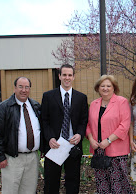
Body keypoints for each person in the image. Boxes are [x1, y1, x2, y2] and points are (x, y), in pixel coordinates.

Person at [41, 64, 88, 194]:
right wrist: (50, 138)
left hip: (73, 146)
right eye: (64, 75)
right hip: (54, 146)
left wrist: (79, 134)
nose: (67, 78)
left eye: (70, 75)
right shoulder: (48, 96)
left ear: (73, 77)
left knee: (73, 183)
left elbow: (84, 120)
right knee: (51, 183)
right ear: (59, 76)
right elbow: (44, 120)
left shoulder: (81, 98)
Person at [0, 77, 41, 194]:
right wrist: (0, 157)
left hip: (32, 158)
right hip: (12, 159)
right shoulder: (3, 108)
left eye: (27, 87)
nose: (24, 90)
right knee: (10, 190)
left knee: (29, 191)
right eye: (20, 87)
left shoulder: (35, 106)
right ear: (15, 88)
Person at [86, 75, 134, 194]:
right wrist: (91, 139)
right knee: (102, 185)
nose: (105, 88)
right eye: (102, 86)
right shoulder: (93, 104)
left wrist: (108, 140)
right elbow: (87, 125)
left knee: (119, 185)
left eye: (108, 86)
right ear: (98, 88)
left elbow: (125, 125)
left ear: (114, 88)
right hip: (99, 151)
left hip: (116, 151)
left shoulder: (121, 102)